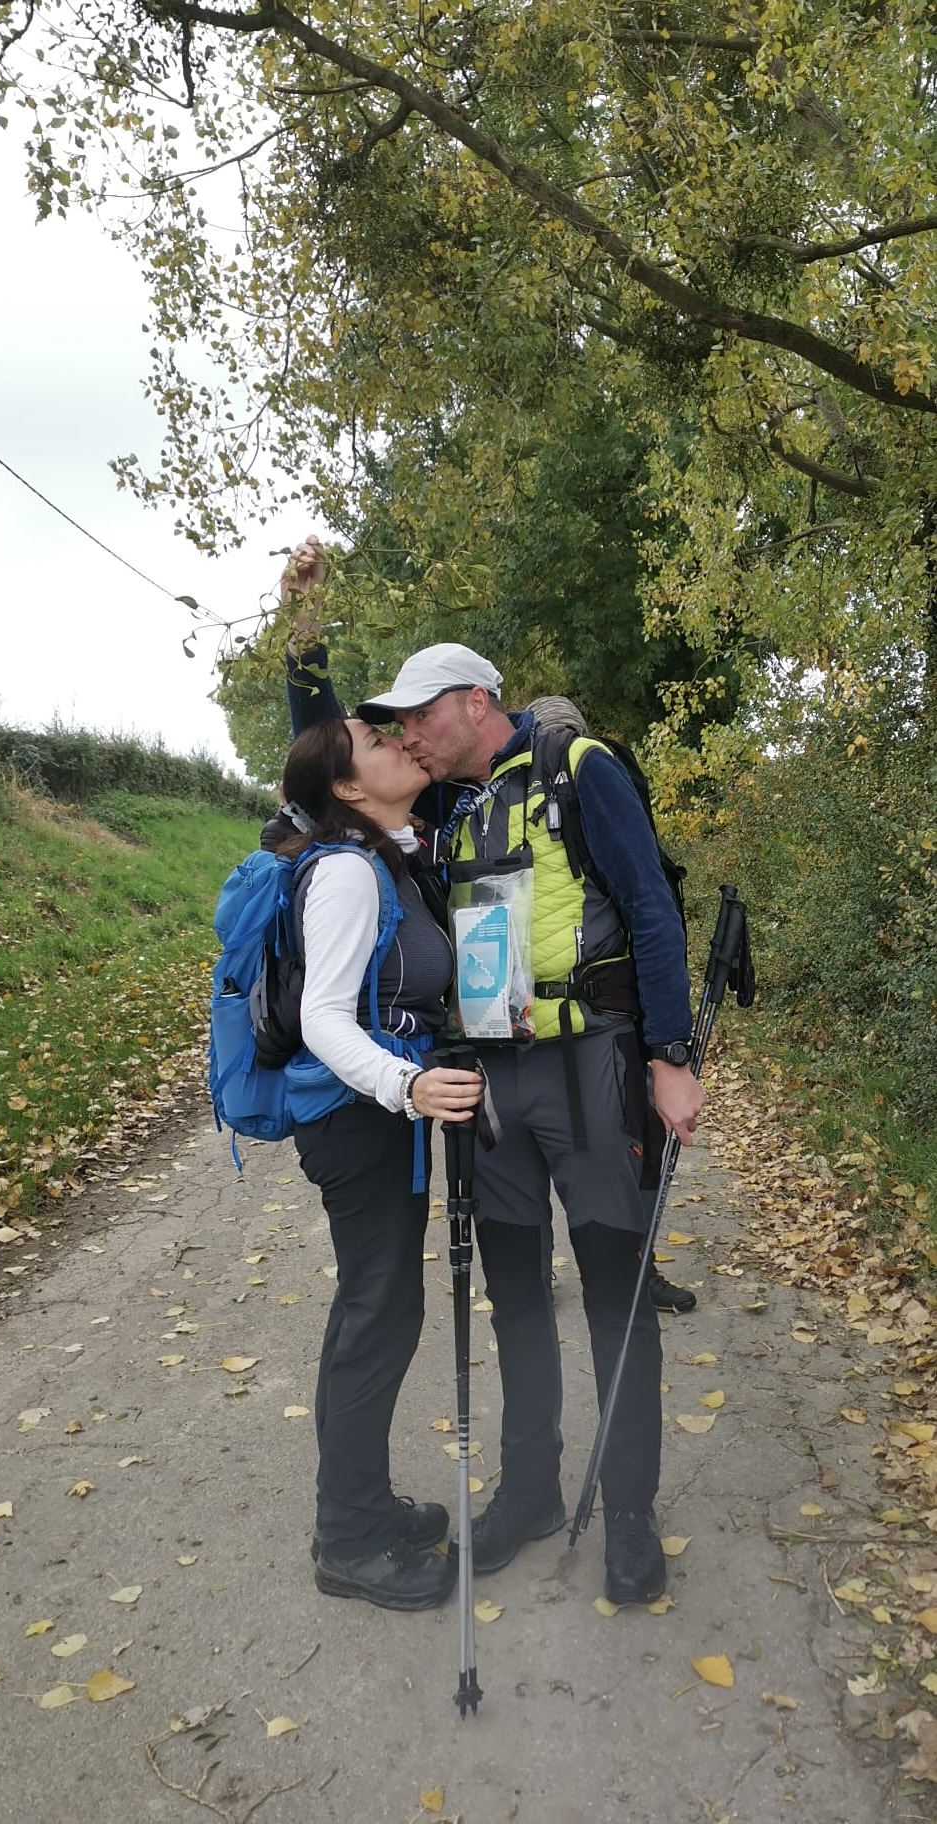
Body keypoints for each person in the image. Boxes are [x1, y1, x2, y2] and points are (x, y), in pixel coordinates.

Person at [356, 644, 705, 1606]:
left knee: (615, 1297)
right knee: (515, 1298)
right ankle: (529, 1492)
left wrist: (671, 1056)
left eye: (420, 714)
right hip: (493, 1082)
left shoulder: (581, 769)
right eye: (397, 723)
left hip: (593, 1067)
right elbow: (330, 767)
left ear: (477, 701)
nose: (407, 735)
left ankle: (628, 1511)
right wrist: (306, 654)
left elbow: (651, 907)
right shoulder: (440, 804)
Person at [276, 713, 483, 1611]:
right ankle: (351, 1541)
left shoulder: (384, 856)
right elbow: (323, 1018)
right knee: (379, 1317)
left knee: (372, 1312)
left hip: (372, 1120)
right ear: (347, 788)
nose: (400, 742)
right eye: (375, 742)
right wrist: (408, 1085)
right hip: (358, 1122)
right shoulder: (349, 872)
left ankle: (357, 1505)